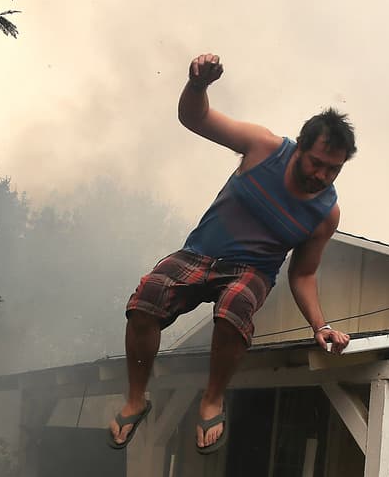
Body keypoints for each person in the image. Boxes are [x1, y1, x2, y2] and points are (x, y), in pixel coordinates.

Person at [108, 52, 355, 453]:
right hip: (199, 254)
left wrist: (320, 325)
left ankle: (212, 399)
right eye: (317, 163)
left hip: (251, 271)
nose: (321, 176)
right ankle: (136, 399)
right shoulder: (263, 147)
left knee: (234, 308)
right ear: (299, 148)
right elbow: (196, 118)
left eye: (333, 170)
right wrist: (198, 85)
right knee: (147, 297)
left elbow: (303, 274)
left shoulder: (326, 213)